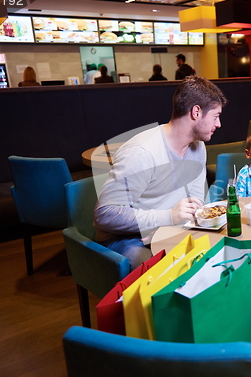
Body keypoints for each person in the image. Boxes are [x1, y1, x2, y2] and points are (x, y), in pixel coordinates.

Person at [94, 76, 228, 270]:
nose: (219, 124)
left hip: (167, 229)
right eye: (215, 116)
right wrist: (166, 219)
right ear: (196, 112)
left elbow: (195, 202)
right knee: (165, 270)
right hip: (128, 238)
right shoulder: (142, 152)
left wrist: (175, 228)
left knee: (217, 256)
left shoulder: (198, 147)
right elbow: (104, 214)